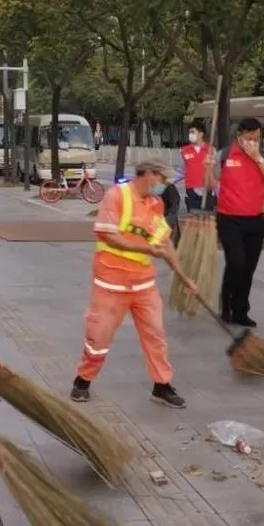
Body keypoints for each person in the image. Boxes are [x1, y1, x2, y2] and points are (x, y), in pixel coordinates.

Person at [71, 158, 195, 409]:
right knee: (99, 337)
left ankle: (162, 385)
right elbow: (110, 237)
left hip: (143, 283)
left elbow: (165, 243)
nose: (165, 184)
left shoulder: (155, 204)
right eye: (162, 178)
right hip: (111, 282)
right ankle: (83, 380)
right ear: (148, 173)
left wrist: (183, 277)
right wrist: (147, 249)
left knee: (156, 335)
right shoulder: (117, 196)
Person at [214, 118, 264, 327]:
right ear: (239, 136)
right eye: (249, 138)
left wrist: (256, 157)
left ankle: (240, 310)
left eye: (257, 138)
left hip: (255, 220)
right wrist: (207, 169)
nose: (253, 142)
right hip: (229, 218)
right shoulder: (224, 155)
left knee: (248, 268)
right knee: (236, 263)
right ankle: (227, 304)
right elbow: (209, 182)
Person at [175, 121, 215, 213]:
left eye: (192, 132)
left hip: (207, 193)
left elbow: (216, 173)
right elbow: (180, 171)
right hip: (191, 193)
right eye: (189, 132)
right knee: (193, 220)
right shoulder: (184, 151)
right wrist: (166, 182)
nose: (190, 135)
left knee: (207, 220)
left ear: (201, 134)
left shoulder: (211, 150)